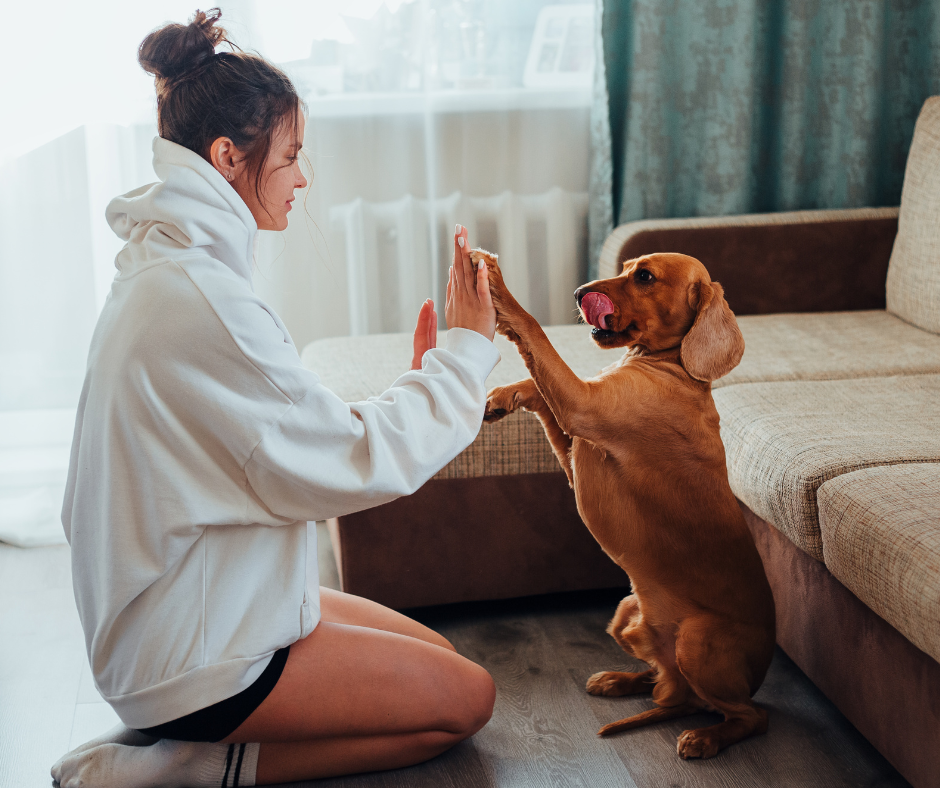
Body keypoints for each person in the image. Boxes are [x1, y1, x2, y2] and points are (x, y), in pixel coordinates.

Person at [51, 9, 499, 788]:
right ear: (227, 157)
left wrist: (425, 380)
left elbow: (287, 434)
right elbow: (348, 461)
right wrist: (464, 356)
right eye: (292, 156)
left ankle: (192, 745)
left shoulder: (176, 268)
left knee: (439, 663)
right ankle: (187, 768)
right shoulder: (200, 298)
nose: (304, 177)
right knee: (466, 700)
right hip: (186, 657)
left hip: (189, 604)